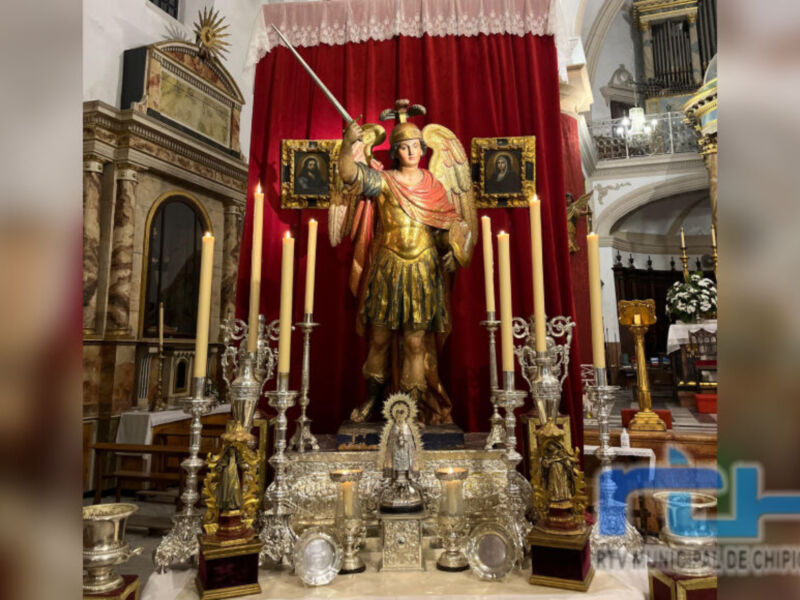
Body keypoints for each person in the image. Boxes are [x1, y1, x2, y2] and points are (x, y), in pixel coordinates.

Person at [333, 100, 476, 424]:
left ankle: (409, 411)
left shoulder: (434, 185)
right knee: (380, 339)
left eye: (415, 146)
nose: (411, 151)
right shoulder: (384, 182)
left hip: (424, 270)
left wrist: (453, 250)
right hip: (388, 269)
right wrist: (347, 144)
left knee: (415, 342)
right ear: (395, 151)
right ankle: (371, 400)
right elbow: (348, 175)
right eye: (404, 147)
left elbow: (450, 227)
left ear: (423, 149)